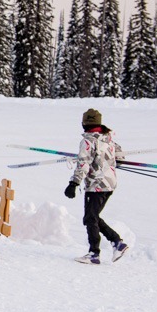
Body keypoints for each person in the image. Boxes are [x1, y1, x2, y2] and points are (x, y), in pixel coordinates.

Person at [65, 109, 129, 265]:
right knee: (92, 217)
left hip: (96, 185)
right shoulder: (108, 138)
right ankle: (116, 243)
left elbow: (84, 164)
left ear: (84, 123)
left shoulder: (87, 141)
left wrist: (74, 183)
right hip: (110, 183)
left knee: (90, 219)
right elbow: (120, 156)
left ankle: (95, 253)